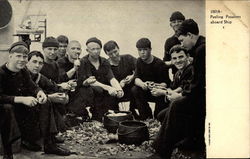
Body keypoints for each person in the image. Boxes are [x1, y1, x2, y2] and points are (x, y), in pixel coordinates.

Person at [0, 42, 68, 159]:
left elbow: (32, 87)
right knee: (7, 108)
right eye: (18, 56)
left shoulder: (23, 71)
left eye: (24, 57)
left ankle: (49, 144)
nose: (22, 60)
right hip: (5, 108)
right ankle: (8, 152)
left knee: (45, 102)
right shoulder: (1, 73)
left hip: (21, 108)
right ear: (10, 56)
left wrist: (40, 93)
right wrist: (21, 99)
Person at [151, 19, 206, 159]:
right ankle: (188, 140)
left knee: (176, 105)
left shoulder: (201, 50)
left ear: (190, 35)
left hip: (204, 97)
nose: (182, 44)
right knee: (168, 110)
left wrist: (181, 95)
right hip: (202, 94)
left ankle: (162, 152)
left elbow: (198, 84)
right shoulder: (201, 46)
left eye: (182, 40)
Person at [71, 37, 124, 121]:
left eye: (98, 49)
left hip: (103, 92)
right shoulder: (84, 62)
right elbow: (91, 82)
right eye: (93, 49)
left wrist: (119, 89)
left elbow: (111, 77)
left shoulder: (104, 61)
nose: (96, 51)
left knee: (112, 116)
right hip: (90, 92)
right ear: (87, 50)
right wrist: (108, 88)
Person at [150, 45, 194, 123]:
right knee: (160, 116)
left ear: (187, 56)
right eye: (174, 58)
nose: (178, 61)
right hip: (179, 103)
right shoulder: (178, 73)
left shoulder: (192, 70)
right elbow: (171, 88)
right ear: (171, 60)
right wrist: (158, 86)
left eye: (181, 57)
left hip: (189, 106)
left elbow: (183, 91)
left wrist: (163, 92)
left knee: (163, 116)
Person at [131, 38, 170, 120]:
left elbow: (166, 83)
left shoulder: (159, 64)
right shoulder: (139, 61)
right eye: (139, 50)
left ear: (150, 49)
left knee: (158, 117)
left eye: (145, 49)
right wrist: (143, 84)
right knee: (135, 89)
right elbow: (136, 78)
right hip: (146, 90)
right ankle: (146, 117)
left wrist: (155, 86)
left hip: (158, 92)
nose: (142, 52)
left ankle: (157, 118)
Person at [103, 40, 138, 118]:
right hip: (115, 93)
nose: (114, 55)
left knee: (136, 88)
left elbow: (140, 68)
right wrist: (118, 86)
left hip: (130, 89)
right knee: (116, 115)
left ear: (118, 49)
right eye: (110, 54)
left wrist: (132, 76)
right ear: (106, 54)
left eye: (115, 51)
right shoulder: (106, 64)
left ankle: (134, 112)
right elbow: (106, 82)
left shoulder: (128, 58)